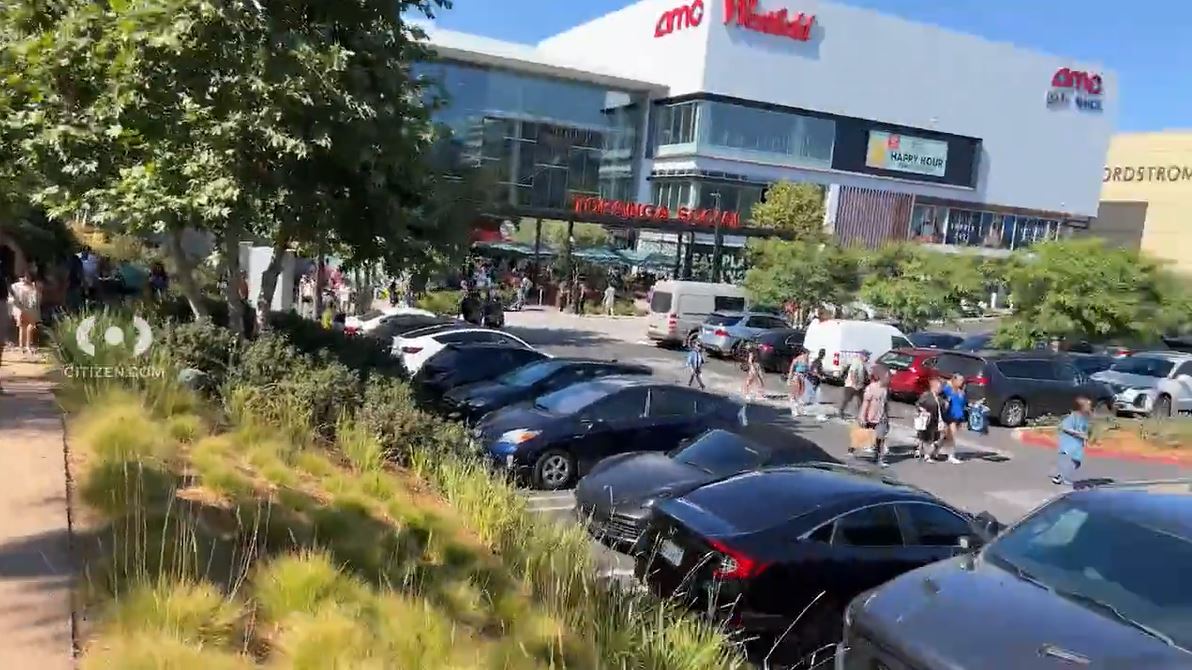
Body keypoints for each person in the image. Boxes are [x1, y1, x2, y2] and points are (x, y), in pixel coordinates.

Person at [1053, 396, 1092, 486]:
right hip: (1069, 443)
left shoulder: (1085, 418)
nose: (1090, 407)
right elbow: (1065, 428)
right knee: (1071, 462)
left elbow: (1085, 430)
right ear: (1081, 407)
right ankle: (1062, 477)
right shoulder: (1073, 417)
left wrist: (1085, 438)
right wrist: (1078, 434)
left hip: (1078, 444)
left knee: (1076, 463)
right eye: (1088, 405)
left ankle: (1061, 476)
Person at [858, 366, 891, 467]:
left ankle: (879, 458)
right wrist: (862, 416)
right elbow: (865, 403)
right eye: (887, 377)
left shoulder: (886, 389)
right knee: (864, 437)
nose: (889, 379)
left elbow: (885, 404)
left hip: (882, 418)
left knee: (880, 438)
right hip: (871, 417)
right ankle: (854, 453)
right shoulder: (871, 388)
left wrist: (887, 417)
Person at [9, 270, 41, 356]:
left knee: (30, 326)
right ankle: (23, 347)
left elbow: (36, 300)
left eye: (27, 277)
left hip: (30, 309)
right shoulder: (16, 286)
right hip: (20, 308)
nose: (25, 278)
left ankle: (27, 346)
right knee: (23, 326)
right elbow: (12, 299)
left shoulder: (33, 287)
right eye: (24, 277)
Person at [937, 374, 967, 464]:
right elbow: (940, 398)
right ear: (954, 380)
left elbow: (963, 405)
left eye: (962, 381)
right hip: (949, 416)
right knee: (952, 436)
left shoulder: (962, 392)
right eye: (960, 380)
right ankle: (951, 456)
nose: (961, 383)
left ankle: (934, 451)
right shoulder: (947, 389)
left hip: (958, 417)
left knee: (946, 437)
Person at [915, 377, 947, 462]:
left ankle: (927, 452)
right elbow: (918, 404)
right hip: (927, 419)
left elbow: (943, 409)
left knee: (937, 438)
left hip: (936, 420)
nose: (941, 389)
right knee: (928, 438)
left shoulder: (940, 398)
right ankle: (927, 455)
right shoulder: (926, 395)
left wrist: (946, 405)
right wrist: (922, 410)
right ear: (934, 386)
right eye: (939, 387)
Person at [838, 350, 870, 418]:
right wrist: (854, 383)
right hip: (851, 385)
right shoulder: (856, 362)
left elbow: (864, 375)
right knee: (847, 399)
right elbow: (853, 373)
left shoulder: (862, 364)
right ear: (862, 356)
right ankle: (841, 411)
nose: (868, 358)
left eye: (868, 356)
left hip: (860, 386)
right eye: (867, 356)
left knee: (861, 400)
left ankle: (862, 414)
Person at [787, 347, 809, 418]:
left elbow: (807, 370)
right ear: (802, 353)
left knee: (801, 393)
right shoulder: (796, 360)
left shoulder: (806, 360)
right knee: (795, 392)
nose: (807, 355)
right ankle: (794, 410)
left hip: (803, 377)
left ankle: (800, 409)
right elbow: (791, 370)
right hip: (796, 376)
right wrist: (789, 379)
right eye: (806, 354)